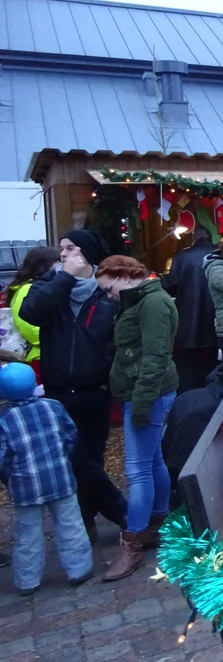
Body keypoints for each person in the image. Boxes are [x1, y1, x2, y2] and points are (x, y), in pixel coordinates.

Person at [17, 229, 127, 542]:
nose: (62, 253)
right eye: (61, 248)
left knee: (91, 456)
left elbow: (117, 339)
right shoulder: (52, 284)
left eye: (70, 248)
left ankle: (85, 520)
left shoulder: (107, 290)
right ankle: (120, 510)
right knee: (72, 457)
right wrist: (64, 278)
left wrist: (107, 380)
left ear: (87, 254)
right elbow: (30, 312)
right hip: (59, 391)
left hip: (95, 390)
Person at [94, 256, 179, 581]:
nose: (109, 295)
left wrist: (141, 405)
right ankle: (156, 525)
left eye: (110, 288)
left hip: (147, 394)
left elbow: (155, 356)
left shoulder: (153, 303)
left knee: (137, 469)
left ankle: (132, 543)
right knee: (152, 460)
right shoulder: (144, 299)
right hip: (146, 393)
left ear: (126, 277)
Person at [0, 362, 93, 595]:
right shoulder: (54, 406)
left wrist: (8, 478)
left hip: (25, 487)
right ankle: (79, 570)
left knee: (27, 534)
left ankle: (27, 581)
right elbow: (71, 436)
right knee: (71, 525)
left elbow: (3, 458)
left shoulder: (4, 421)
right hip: (60, 477)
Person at [162, 227, 217, 392]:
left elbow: (170, 284)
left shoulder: (183, 256)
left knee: (186, 360)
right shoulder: (219, 255)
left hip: (187, 313)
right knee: (212, 358)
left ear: (194, 237)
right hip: (214, 314)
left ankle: (187, 392)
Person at [2, 246, 59, 369]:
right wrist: (62, 337)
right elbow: (29, 329)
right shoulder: (27, 290)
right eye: (57, 265)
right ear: (44, 266)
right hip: (38, 358)